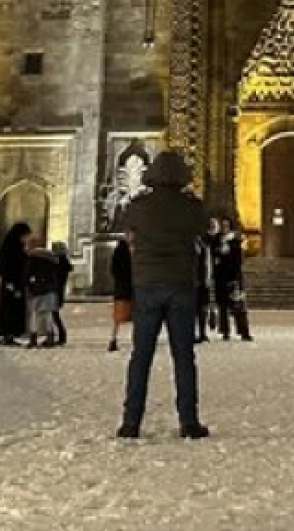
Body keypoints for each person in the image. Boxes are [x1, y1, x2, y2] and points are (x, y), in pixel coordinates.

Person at [118, 150, 210, 440]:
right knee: (183, 355)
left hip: (147, 284)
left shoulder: (138, 206)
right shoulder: (191, 206)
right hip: (180, 283)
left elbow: (128, 235)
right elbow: (204, 231)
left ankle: (131, 422)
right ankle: (189, 421)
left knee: (141, 355)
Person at [0, 222, 30, 345]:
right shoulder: (12, 250)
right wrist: (11, 285)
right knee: (9, 310)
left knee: (13, 309)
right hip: (12, 284)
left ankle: (10, 334)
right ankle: (6, 334)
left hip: (16, 283)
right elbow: (9, 268)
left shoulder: (17, 247)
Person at [214, 220, 253, 342]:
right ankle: (225, 331)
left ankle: (244, 332)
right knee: (223, 307)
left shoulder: (235, 241)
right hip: (221, 279)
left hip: (233, 278)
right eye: (223, 226)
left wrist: (236, 279)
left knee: (239, 307)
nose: (224, 228)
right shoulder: (217, 241)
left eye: (226, 226)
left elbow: (238, 260)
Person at [23, 233, 60, 349]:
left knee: (34, 314)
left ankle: (33, 338)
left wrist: (28, 285)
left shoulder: (33, 257)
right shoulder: (51, 257)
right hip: (50, 289)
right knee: (47, 314)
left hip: (37, 289)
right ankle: (50, 337)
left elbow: (28, 274)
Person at [108, 230, 133, 353]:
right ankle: (113, 339)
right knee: (119, 316)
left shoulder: (128, 249)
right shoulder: (122, 250)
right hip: (124, 288)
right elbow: (115, 269)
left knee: (133, 315)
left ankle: (116, 339)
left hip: (127, 287)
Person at [195, 219, 217, 343]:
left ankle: (202, 333)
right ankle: (196, 333)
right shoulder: (195, 244)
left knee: (202, 308)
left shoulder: (204, 245)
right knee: (195, 308)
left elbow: (208, 264)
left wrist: (208, 277)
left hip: (202, 280)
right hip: (195, 280)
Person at [50, 241, 73, 346]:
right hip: (57, 292)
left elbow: (57, 279)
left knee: (54, 315)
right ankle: (58, 336)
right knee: (53, 315)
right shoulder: (62, 262)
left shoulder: (60, 263)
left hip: (56, 292)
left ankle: (60, 336)